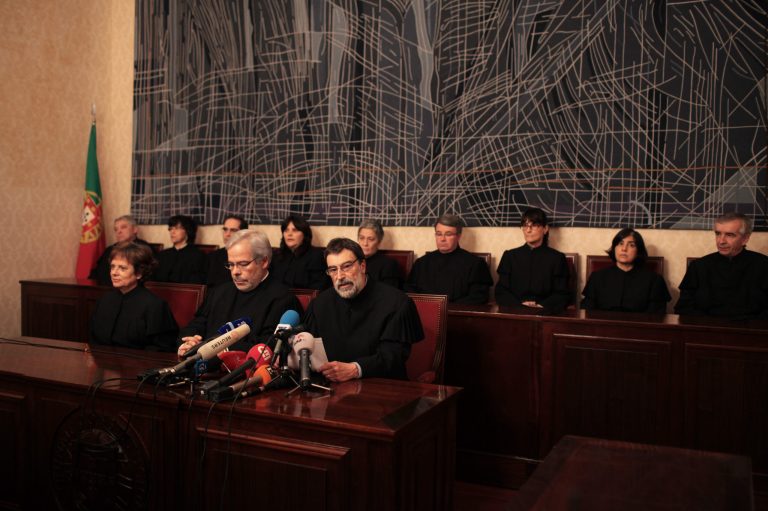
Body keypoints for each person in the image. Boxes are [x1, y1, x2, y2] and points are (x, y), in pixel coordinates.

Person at [304, 238, 424, 381]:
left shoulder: (396, 303)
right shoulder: (319, 304)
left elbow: (392, 356)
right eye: (333, 270)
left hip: (381, 388)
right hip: (331, 387)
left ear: (362, 266)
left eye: (347, 266)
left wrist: (356, 369)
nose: (340, 276)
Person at [177, 230, 302, 355]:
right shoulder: (219, 292)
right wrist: (189, 342)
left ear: (264, 262)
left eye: (243, 264)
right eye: (231, 264)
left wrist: (216, 349)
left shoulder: (282, 299)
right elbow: (197, 324)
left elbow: (269, 346)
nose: (235, 272)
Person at [675, 212, 768, 319]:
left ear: (745, 239)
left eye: (729, 235)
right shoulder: (699, 266)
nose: (721, 241)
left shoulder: (764, 266)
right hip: (707, 330)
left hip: (751, 332)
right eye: (718, 234)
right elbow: (683, 308)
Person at [90, 242, 178, 351]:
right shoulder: (104, 300)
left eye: (122, 268)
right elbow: (93, 339)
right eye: (113, 267)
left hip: (137, 365)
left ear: (139, 273)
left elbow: (162, 349)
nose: (114, 273)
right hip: (102, 364)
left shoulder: (155, 306)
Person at [495, 208, 571, 312]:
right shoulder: (510, 256)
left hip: (546, 312)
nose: (528, 230)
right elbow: (501, 291)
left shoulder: (557, 258)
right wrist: (520, 305)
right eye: (525, 225)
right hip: (514, 311)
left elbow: (562, 293)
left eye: (534, 225)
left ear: (545, 229)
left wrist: (541, 306)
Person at [405, 214, 492, 304]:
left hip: (457, 314)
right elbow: (410, 291)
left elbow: (479, 297)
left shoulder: (475, 264)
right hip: (425, 313)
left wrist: (447, 308)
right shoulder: (421, 263)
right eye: (439, 234)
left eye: (448, 234)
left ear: (458, 236)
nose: (442, 239)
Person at [581, 228, 671, 313]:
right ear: (614, 248)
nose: (624, 249)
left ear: (638, 251)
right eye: (620, 243)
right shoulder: (597, 277)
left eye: (631, 245)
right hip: (601, 328)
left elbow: (656, 317)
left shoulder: (654, 280)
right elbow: (587, 311)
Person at [270, 215, 329, 290]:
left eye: (295, 230)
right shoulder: (276, 256)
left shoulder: (316, 256)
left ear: (304, 234)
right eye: (286, 230)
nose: (289, 234)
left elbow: (318, 289)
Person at [88, 215, 152, 285]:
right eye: (116, 229)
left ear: (135, 229)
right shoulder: (109, 250)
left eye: (123, 227)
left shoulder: (144, 249)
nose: (119, 231)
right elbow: (96, 273)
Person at [154, 215, 207, 284]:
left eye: (176, 228)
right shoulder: (162, 255)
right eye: (170, 228)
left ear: (187, 231)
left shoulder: (198, 256)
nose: (172, 232)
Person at [206, 215, 248, 288]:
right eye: (225, 229)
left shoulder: (249, 256)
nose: (227, 234)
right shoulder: (213, 256)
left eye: (233, 230)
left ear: (243, 233)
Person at [357, 219, 401, 288]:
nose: (365, 243)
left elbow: (390, 294)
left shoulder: (389, 264)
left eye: (370, 239)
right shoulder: (352, 261)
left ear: (379, 242)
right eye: (362, 238)